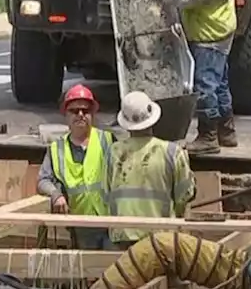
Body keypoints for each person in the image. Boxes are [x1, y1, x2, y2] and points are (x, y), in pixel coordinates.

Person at [144, 0, 237, 155]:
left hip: (209, 33)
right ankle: (227, 131)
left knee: (205, 85)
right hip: (221, 27)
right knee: (220, 82)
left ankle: (208, 137)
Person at [107, 91, 196, 250]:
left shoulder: (113, 153)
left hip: (122, 237)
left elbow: (107, 192)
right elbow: (185, 195)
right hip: (160, 237)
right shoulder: (172, 152)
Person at [35, 84, 115, 250]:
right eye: (74, 111)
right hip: (80, 224)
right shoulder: (57, 148)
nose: (80, 115)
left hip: (110, 222)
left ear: (92, 114)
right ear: (66, 114)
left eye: (85, 111)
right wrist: (55, 194)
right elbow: (43, 179)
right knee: (86, 272)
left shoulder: (107, 140)